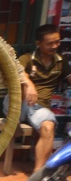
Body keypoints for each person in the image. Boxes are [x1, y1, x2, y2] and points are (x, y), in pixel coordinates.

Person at [17, 24, 71, 171]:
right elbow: (17, 71)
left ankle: (37, 176)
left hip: (38, 109)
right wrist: (29, 84)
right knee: (21, 85)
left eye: (57, 42)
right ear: (38, 44)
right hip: (17, 105)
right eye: (50, 43)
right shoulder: (27, 58)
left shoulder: (61, 62)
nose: (55, 46)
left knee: (48, 126)